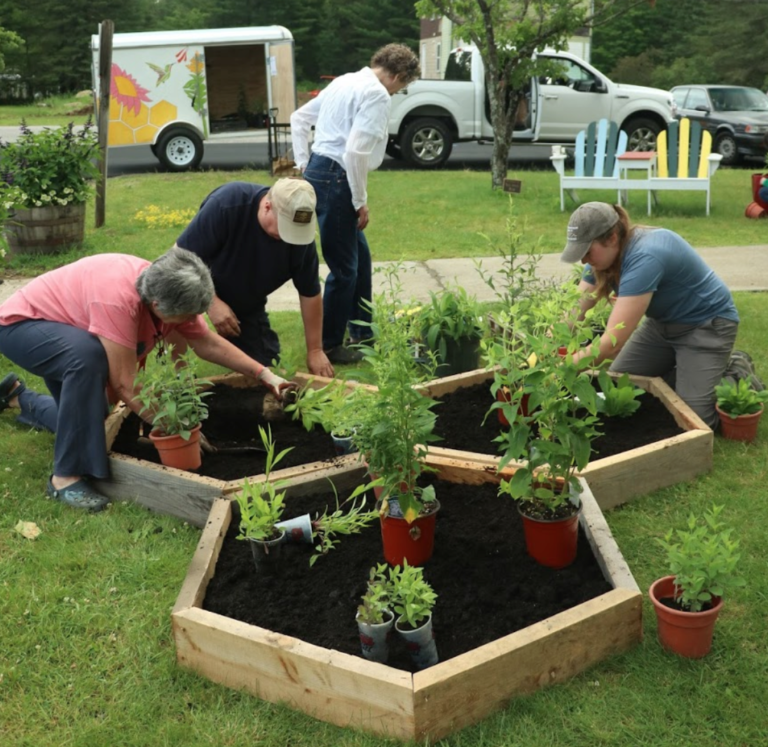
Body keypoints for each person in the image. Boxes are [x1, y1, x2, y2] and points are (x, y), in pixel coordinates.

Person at [0, 248, 294, 512]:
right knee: (86, 358)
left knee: (94, 416)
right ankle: (65, 476)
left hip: (67, 328)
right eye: (184, 316)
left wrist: (264, 374)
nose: (189, 321)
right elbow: (125, 383)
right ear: (157, 304)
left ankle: (16, 396)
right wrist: (175, 427)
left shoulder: (170, 284)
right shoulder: (118, 299)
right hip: (22, 327)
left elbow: (206, 342)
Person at [290, 44, 421, 364]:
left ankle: (362, 332)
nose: (397, 93)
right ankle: (330, 345)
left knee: (360, 258)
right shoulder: (376, 94)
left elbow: (298, 118)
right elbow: (356, 153)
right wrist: (360, 201)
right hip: (338, 180)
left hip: (322, 171)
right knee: (344, 269)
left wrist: (305, 166)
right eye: (402, 87)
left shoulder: (345, 80)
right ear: (399, 76)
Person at [560, 201, 739, 430]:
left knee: (694, 423)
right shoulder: (602, 260)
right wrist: (541, 350)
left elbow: (611, 344)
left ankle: (733, 372)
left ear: (612, 238)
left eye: (586, 251)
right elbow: (572, 315)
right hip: (663, 325)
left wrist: (563, 366)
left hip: (706, 326)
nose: (583, 260)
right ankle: (685, 372)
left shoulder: (646, 256)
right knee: (618, 388)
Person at [174, 178, 334, 378]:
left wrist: (315, 350)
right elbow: (177, 260)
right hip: (192, 283)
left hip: (245, 300)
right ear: (267, 206)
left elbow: (310, 293)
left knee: (264, 369)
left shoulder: (300, 242)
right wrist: (211, 302)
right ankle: (180, 379)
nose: (289, 238)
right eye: (285, 229)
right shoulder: (228, 204)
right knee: (174, 324)